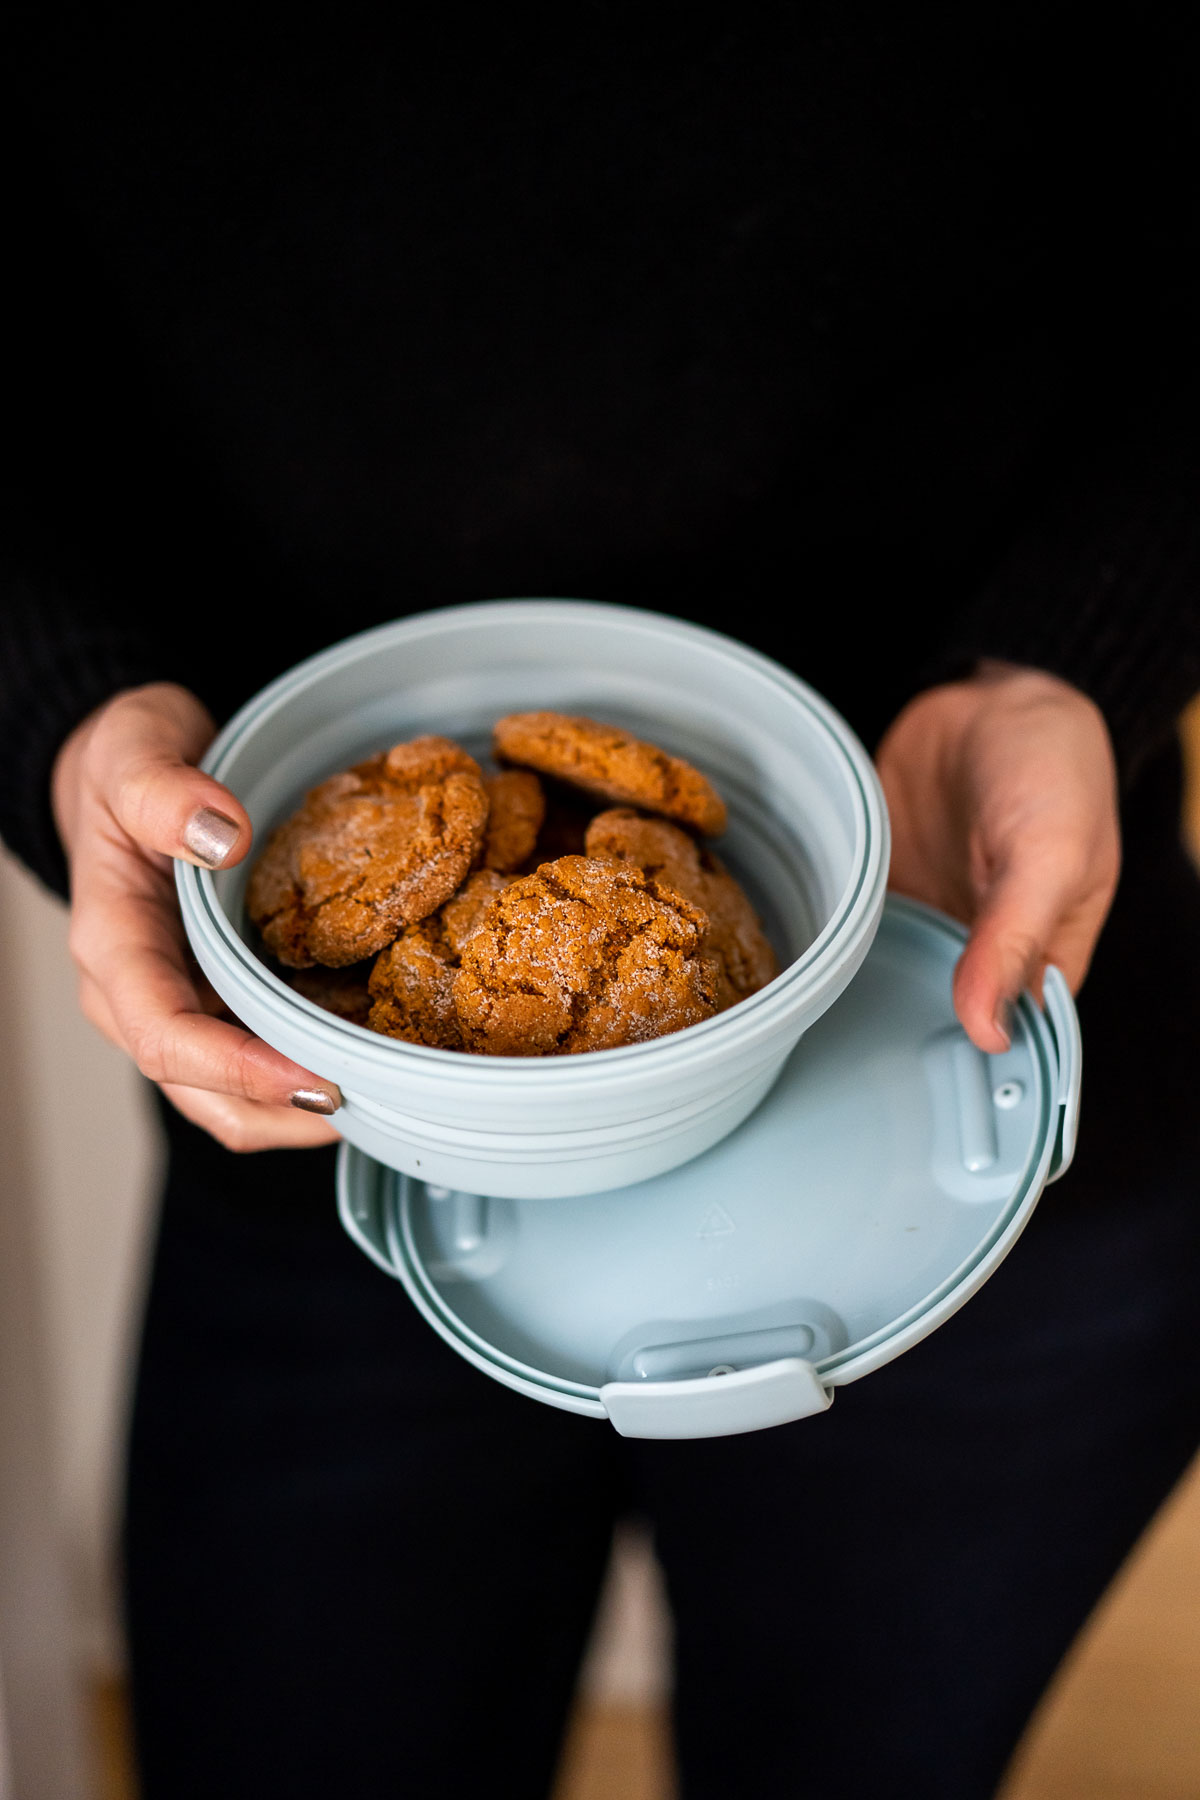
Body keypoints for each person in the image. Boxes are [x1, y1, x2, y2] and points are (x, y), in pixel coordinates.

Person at [5, 12, 1200, 1797]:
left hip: (948, 1044)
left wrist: (1078, 650)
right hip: (339, 1142)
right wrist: (65, 699)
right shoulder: (402, 919)